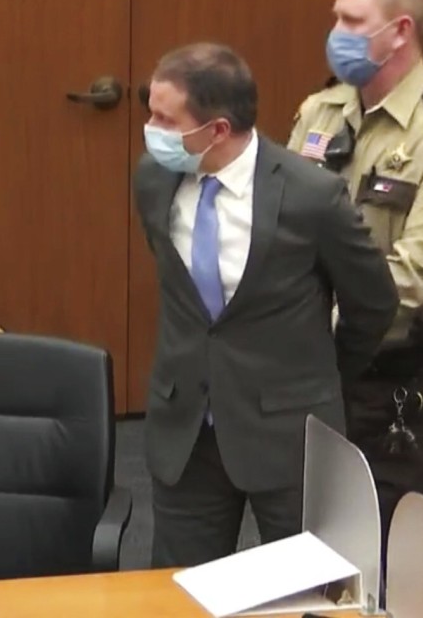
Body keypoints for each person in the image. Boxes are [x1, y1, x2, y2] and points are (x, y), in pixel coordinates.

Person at [134, 42, 398, 567]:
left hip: (288, 433)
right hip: (186, 431)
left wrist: (321, 376)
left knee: (306, 588)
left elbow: (373, 302)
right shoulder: (153, 178)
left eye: (165, 119)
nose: (150, 129)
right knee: (176, 591)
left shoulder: (311, 196)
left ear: (217, 130)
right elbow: (183, 292)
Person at [287, 0, 423, 539]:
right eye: (336, 17)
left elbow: (421, 272)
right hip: (324, 377)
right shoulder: (320, 112)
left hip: (410, 389)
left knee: (417, 561)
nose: (336, 32)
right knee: (326, 552)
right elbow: (279, 228)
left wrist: (310, 325)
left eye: (352, 21)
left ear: (400, 31)